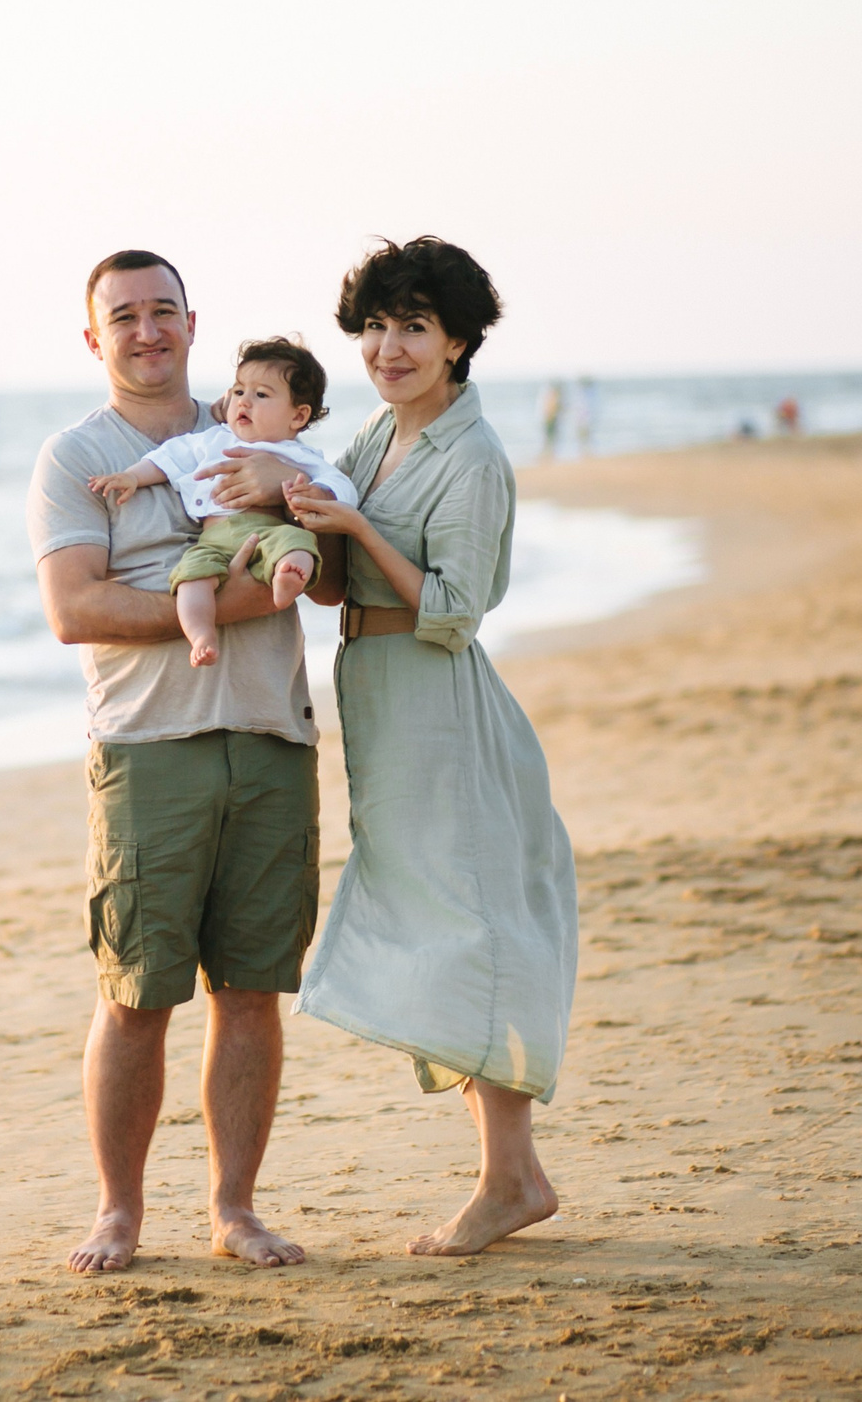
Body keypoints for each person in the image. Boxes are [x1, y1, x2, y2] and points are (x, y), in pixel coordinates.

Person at [26, 250, 322, 1274]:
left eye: (163, 311)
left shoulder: (254, 427)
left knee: (251, 990)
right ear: (94, 337)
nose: (147, 331)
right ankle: (118, 1212)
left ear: (193, 323)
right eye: (125, 317)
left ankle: (234, 1210)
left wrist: (289, 499)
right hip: (148, 746)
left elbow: (328, 559)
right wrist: (233, 602)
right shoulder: (75, 456)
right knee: (136, 993)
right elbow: (75, 608)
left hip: (272, 735)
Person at [284, 236, 578, 1257]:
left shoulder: (472, 455)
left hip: (439, 700)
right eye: (374, 326)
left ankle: (510, 1179)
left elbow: (454, 611)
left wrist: (358, 529)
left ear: (458, 340)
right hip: (377, 693)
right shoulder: (376, 435)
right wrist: (298, 514)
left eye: (413, 326)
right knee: (431, 917)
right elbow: (334, 583)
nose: (388, 348)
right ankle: (513, 1173)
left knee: (466, 926)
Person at [87, 337, 357, 668]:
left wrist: (318, 493)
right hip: (213, 538)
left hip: (267, 532)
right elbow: (170, 457)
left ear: (298, 416)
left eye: (261, 395)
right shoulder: (214, 438)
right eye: (239, 391)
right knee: (190, 577)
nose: (244, 402)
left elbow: (340, 485)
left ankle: (287, 577)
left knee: (295, 542)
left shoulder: (299, 455)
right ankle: (201, 634)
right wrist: (132, 477)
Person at [536, 379, 565, 462]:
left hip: (551, 420)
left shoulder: (552, 396)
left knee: (549, 437)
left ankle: (549, 453)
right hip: (550, 420)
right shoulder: (553, 396)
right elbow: (551, 409)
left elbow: (552, 409)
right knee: (549, 437)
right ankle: (548, 453)